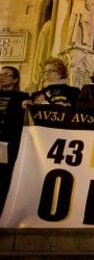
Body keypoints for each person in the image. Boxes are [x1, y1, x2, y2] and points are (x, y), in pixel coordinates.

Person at [0, 67, 28, 215]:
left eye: (6, 75)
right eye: (1, 74)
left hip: (7, 143)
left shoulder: (22, 97)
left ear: (15, 79)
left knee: (4, 177)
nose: (2, 77)